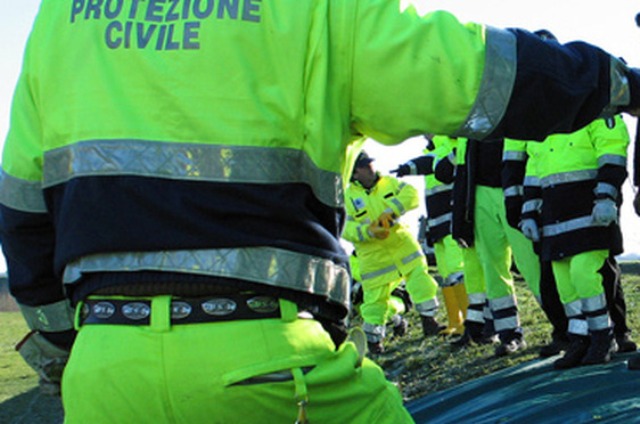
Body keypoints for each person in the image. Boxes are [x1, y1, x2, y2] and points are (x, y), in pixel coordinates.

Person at [3, 2, 640, 422]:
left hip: (104, 372)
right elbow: (475, 72)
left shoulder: (61, 17)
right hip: (269, 363)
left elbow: (24, 214)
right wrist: (617, 83)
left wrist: (74, 347)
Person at [519, 114, 632, 368]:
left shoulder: (598, 112)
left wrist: (606, 196)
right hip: (554, 216)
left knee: (584, 273)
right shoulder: (541, 124)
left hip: (590, 212)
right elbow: (533, 172)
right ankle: (579, 340)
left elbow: (613, 152)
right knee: (565, 285)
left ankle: (603, 338)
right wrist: (528, 213)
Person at [343, 151, 443, 353]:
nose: (371, 166)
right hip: (374, 258)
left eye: (370, 162)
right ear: (355, 173)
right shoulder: (347, 198)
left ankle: (429, 320)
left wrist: (390, 212)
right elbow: (345, 228)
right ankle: (373, 341)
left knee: (420, 281)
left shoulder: (389, 182)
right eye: (365, 165)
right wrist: (369, 231)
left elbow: (411, 195)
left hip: (402, 246)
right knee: (374, 301)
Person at [392, 135, 468, 336]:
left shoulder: (447, 144)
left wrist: (408, 167)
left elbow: (430, 164)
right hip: (437, 222)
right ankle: (455, 322)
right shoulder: (431, 149)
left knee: (457, 270)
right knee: (445, 274)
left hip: (452, 218)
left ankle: (471, 323)